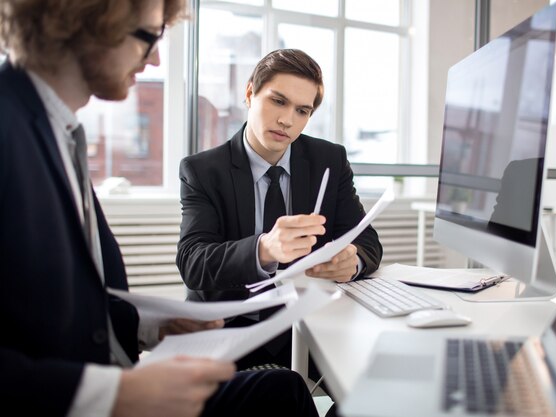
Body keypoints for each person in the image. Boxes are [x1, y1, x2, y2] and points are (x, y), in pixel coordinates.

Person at [0, 1, 319, 416]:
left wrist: (151, 325)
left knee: (283, 389)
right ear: (80, 20)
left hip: (116, 373)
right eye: (148, 36)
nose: (156, 59)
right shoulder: (9, 129)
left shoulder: (59, 130)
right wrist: (113, 395)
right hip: (74, 398)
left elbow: (59, 298)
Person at [176, 48, 383, 370]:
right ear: (250, 93)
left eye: (302, 110)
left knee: (374, 386)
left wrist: (352, 260)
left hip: (309, 324)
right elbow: (193, 262)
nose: (287, 120)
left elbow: (366, 239)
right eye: (278, 101)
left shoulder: (329, 161)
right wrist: (264, 249)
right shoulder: (203, 170)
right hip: (231, 329)